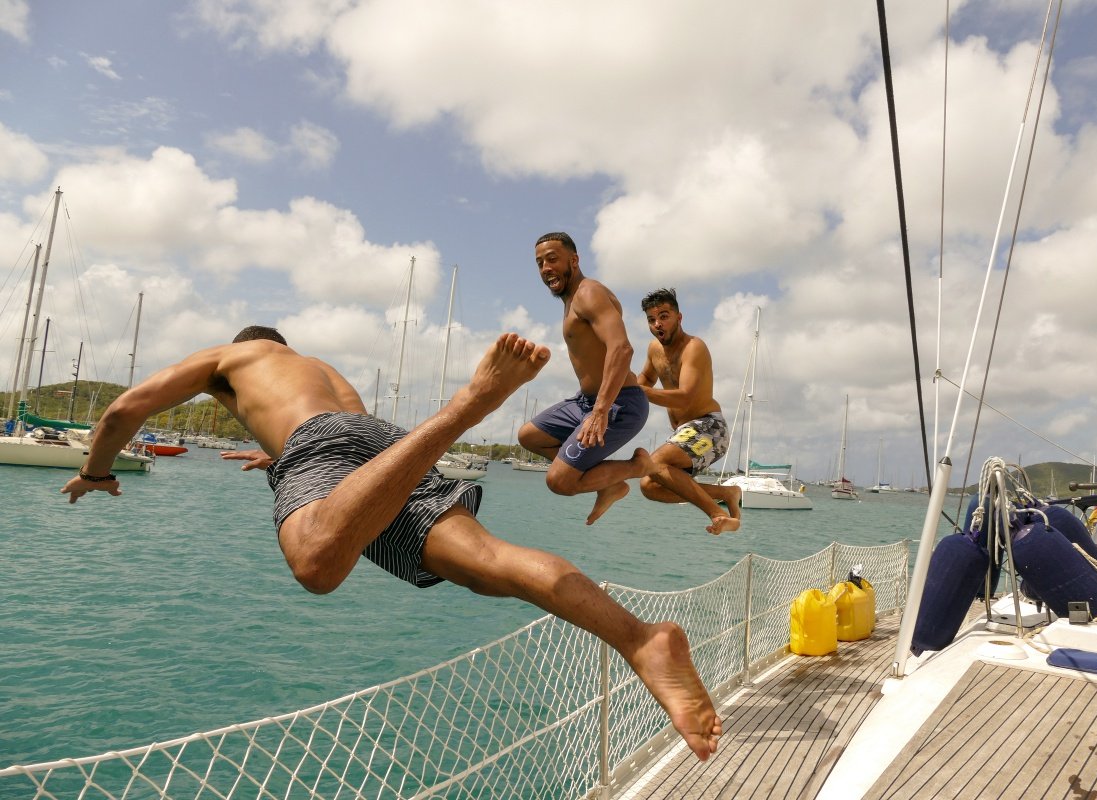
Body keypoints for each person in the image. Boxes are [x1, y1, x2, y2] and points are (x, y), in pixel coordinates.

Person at [61, 325, 721, 761]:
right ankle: (642, 639)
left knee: (317, 563)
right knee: (490, 564)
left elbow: (125, 412)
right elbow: (342, 435)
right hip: (382, 443)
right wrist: (280, 457)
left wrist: (96, 472)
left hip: (329, 449)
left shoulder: (228, 358)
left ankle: (468, 407)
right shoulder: (315, 368)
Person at [518, 232, 653, 525]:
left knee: (560, 483)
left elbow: (622, 348)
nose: (545, 269)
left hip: (619, 404)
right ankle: (609, 483)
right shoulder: (571, 300)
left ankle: (635, 466)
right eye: (540, 263)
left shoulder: (588, 293)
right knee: (529, 436)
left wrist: (600, 411)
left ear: (574, 260)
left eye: (553, 259)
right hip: (585, 402)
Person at [636, 289, 741, 534]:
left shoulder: (694, 347)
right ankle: (726, 494)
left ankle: (718, 514)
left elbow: (685, 398)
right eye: (651, 320)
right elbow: (643, 381)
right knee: (648, 486)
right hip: (684, 433)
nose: (657, 324)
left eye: (664, 316)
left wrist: (638, 391)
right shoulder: (654, 350)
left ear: (679, 317)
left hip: (710, 429)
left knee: (654, 462)